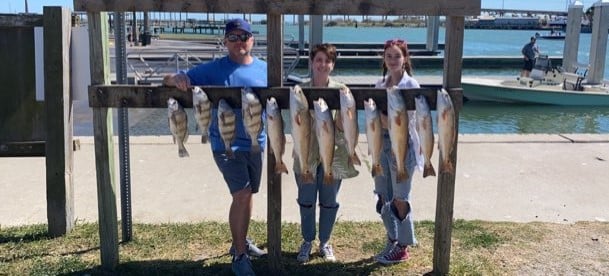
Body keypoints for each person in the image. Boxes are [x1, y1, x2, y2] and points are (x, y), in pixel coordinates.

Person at [163, 18, 266, 276]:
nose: (239, 42)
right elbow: (169, 80)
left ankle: (240, 241)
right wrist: (176, 79)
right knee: (240, 195)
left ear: (252, 40)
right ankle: (240, 256)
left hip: (257, 141)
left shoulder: (266, 69)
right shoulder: (213, 69)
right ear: (225, 42)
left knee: (249, 193)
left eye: (244, 37)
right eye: (233, 38)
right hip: (225, 143)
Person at [294, 43, 359, 263]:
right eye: (318, 60)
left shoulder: (342, 90)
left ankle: (324, 241)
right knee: (306, 200)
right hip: (306, 154)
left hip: (334, 155)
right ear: (311, 62)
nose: (323, 64)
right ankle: (307, 240)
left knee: (330, 201)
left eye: (327, 61)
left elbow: (344, 126)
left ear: (333, 64)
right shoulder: (299, 90)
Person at [372, 39, 424, 264]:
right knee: (383, 196)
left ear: (405, 59)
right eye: (389, 56)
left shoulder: (411, 85)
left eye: (397, 56)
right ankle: (392, 239)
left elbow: (406, 122)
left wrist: (383, 120)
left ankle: (403, 246)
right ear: (384, 59)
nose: (392, 60)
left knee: (401, 198)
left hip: (403, 146)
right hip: (381, 145)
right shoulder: (378, 84)